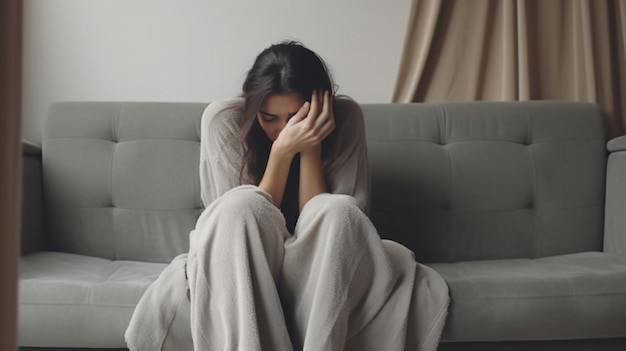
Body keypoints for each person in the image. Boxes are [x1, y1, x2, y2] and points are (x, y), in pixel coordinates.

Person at [126, 41, 449, 351]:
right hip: (241, 260)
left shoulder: (346, 117)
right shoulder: (224, 120)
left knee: (337, 209)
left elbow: (342, 232)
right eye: (270, 118)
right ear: (253, 107)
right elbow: (231, 230)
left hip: (325, 265)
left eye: (296, 117)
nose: (284, 129)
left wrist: (310, 146)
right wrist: (281, 154)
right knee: (240, 204)